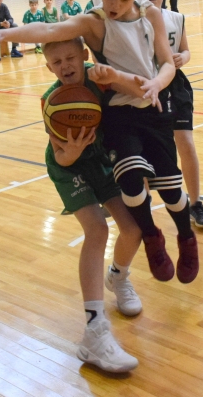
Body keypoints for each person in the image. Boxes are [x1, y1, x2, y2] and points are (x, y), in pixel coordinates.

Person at [0, 0, 199, 284]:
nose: (115, 4)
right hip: (119, 112)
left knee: (172, 191)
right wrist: (5, 34)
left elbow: (168, 63)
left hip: (154, 106)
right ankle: (151, 236)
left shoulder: (152, 15)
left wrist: (158, 83)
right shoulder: (94, 21)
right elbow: (50, 29)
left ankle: (187, 237)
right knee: (131, 183)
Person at [40, 37, 148, 373]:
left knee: (133, 229)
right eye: (57, 62)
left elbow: (138, 92)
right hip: (69, 167)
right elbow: (61, 155)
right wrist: (72, 151)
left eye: (70, 58)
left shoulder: (99, 78)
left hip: (103, 158)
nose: (65, 66)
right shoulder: (51, 101)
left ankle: (118, 276)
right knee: (97, 231)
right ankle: (94, 330)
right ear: (49, 67)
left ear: (84, 55)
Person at [146, 0, 203, 227]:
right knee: (151, 150)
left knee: (186, 143)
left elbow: (185, 49)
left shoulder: (176, 18)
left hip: (175, 85)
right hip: (150, 85)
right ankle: (143, 208)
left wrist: (183, 57)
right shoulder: (135, 21)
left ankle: (195, 203)